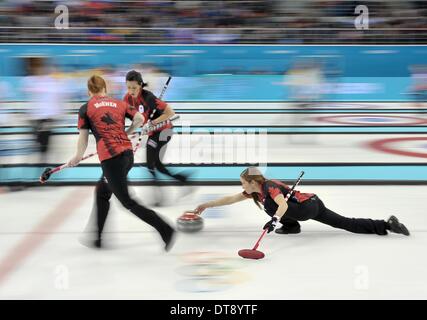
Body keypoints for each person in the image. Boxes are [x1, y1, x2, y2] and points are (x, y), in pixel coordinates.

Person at [67, 75, 175, 250]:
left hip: (112, 160)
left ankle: (166, 229)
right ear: (105, 89)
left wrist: (77, 157)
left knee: (128, 202)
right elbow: (140, 119)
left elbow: (83, 139)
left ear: (89, 91)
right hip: (127, 155)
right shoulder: (119, 103)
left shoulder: (85, 108)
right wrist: (129, 131)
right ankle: (98, 238)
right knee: (102, 192)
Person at [194, 167, 410, 237]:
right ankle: (387, 225)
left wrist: (275, 220)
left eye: (243, 182)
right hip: (311, 205)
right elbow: (230, 199)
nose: (241, 186)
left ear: (252, 181)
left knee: (273, 207)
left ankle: (291, 225)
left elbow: (284, 205)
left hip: (306, 207)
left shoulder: (268, 187)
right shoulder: (255, 192)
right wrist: (206, 205)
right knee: (345, 223)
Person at [124, 70, 190, 205]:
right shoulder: (127, 98)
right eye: (129, 87)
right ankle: (183, 180)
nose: (131, 91)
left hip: (164, 131)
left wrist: (152, 122)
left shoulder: (149, 98)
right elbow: (132, 117)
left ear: (141, 85)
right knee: (157, 166)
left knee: (150, 164)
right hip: (153, 133)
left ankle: (158, 197)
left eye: (134, 88)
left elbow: (170, 112)